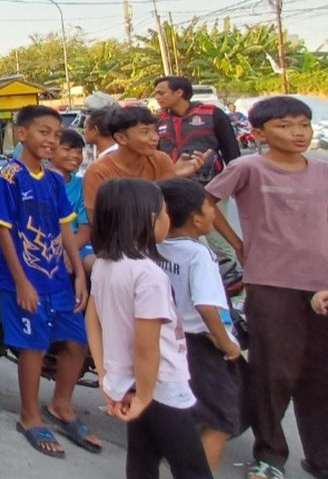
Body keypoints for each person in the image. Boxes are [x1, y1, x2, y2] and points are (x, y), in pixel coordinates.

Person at [204, 96, 328, 479]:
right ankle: (270, 456)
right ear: (258, 133)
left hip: (322, 286)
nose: (298, 133)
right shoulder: (248, 168)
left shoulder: (323, 172)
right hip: (271, 282)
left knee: (319, 375)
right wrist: (238, 245)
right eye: (286, 126)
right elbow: (205, 204)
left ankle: (320, 458)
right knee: (274, 373)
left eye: (304, 126)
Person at [0, 105, 98, 458]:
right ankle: (30, 415)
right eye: (44, 132)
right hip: (23, 278)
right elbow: (1, 230)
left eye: (55, 133)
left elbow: (67, 225)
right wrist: (21, 282)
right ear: (22, 135)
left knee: (76, 342)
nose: (51, 140)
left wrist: (78, 272)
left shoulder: (53, 181)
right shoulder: (10, 177)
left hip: (57, 277)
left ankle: (62, 405)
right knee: (32, 347)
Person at [86, 177, 212, 479]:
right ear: (148, 220)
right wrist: (144, 395)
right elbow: (146, 344)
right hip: (160, 386)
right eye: (165, 212)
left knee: (142, 460)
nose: (169, 219)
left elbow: (93, 320)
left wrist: (106, 376)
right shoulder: (148, 275)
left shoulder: (104, 265)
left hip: (128, 383)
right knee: (192, 469)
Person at [156, 178, 245, 469]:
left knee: (183, 410)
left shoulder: (158, 247)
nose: (215, 213)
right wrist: (226, 341)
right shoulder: (199, 255)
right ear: (196, 218)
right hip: (203, 344)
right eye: (210, 207)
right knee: (221, 420)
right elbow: (207, 305)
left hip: (169, 338)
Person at [82, 107, 209, 226]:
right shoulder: (98, 171)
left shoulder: (161, 160)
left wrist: (176, 177)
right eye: (145, 132)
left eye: (155, 131)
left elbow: (168, 207)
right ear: (121, 138)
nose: (155, 138)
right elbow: (98, 221)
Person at [153, 76, 240, 183]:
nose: (157, 97)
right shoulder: (157, 121)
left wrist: (236, 181)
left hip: (210, 182)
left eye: (161, 93)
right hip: (172, 183)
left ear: (179, 92)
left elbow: (231, 150)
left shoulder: (211, 114)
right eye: (156, 94)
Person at [54, 127, 94, 271]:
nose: (75, 156)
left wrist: (69, 252)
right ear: (50, 151)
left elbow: (84, 230)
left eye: (79, 151)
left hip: (77, 246)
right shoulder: (34, 182)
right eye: (67, 149)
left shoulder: (83, 185)